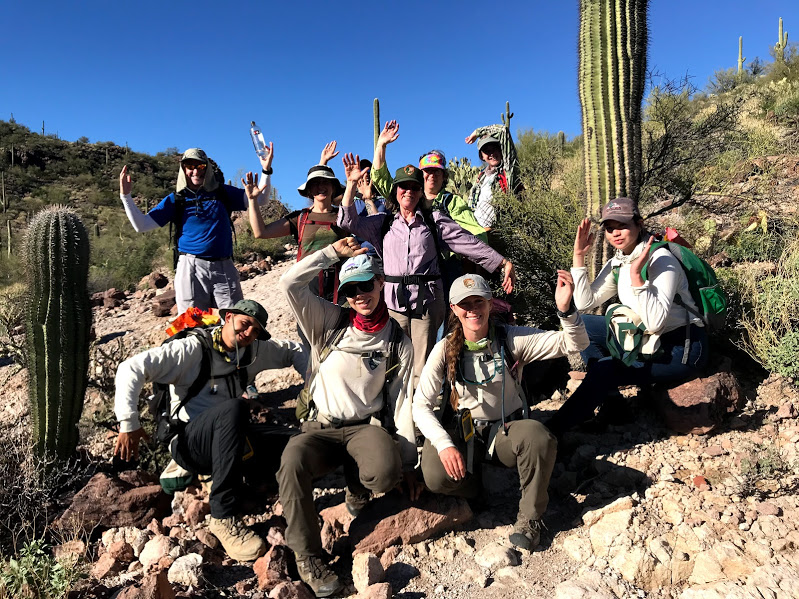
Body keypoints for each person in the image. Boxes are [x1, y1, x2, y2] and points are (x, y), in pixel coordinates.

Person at [277, 237, 420, 597]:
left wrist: (408, 463)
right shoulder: (327, 320)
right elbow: (289, 283)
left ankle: (357, 487)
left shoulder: (397, 341)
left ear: (380, 283)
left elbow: (400, 403)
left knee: (385, 471)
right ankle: (308, 556)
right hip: (319, 426)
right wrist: (330, 254)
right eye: (351, 288)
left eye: (366, 284)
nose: (360, 294)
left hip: (361, 428)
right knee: (292, 461)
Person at [113, 299, 306, 562]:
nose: (248, 333)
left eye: (256, 330)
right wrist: (128, 423)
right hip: (189, 443)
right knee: (235, 408)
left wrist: (314, 386)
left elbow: (295, 349)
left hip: (231, 437)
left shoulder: (254, 351)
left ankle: (281, 492)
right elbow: (131, 368)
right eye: (244, 323)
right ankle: (223, 517)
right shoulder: (192, 350)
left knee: (301, 441)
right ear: (228, 318)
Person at [413, 273, 587, 550]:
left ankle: (530, 519)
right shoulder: (443, 350)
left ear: (490, 304)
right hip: (464, 432)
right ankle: (474, 489)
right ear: (454, 309)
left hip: (505, 431)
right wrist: (445, 445)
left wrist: (566, 311)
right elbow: (421, 405)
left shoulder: (511, 340)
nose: (472, 309)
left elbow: (574, 344)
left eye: (478, 302)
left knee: (538, 436)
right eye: (464, 304)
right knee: (434, 474)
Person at [338, 148, 517, 386]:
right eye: (403, 187)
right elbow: (347, 221)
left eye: (414, 187)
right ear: (396, 192)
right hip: (394, 303)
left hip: (428, 302)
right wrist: (351, 186)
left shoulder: (434, 221)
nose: (408, 192)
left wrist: (501, 262)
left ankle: (422, 414)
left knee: (422, 364)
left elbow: (468, 243)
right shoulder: (383, 223)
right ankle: (395, 413)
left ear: (421, 191)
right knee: (393, 360)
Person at [545, 198, 709, 436]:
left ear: (639, 224)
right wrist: (579, 259)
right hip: (648, 339)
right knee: (586, 326)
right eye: (610, 228)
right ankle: (612, 403)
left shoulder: (661, 259)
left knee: (604, 370)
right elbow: (585, 303)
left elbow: (655, 322)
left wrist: (636, 278)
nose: (615, 233)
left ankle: (551, 432)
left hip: (682, 347)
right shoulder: (618, 261)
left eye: (621, 225)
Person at [119, 149, 260, 313]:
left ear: (207, 168)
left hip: (224, 266)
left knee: (233, 321)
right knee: (192, 324)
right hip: (191, 267)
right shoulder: (176, 199)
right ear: (183, 169)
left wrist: (266, 170)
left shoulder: (222, 192)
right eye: (189, 166)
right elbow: (141, 225)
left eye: (200, 165)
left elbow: (259, 200)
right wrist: (126, 196)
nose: (196, 171)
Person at [246, 142, 346, 302]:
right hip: (306, 285)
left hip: (340, 286)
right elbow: (260, 232)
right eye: (315, 184)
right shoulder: (300, 218)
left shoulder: (343, 215)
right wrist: (252, 201)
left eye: (326, 182)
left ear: (334, 187)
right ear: (309, 190)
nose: (321, 187)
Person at [370, 121, 487, 242]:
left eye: (437, 171)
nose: (432, 175)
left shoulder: (452, 202)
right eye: (427, 171)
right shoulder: (409, 196)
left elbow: (476, 232)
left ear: (444, 176)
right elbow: (380, 178)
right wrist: (381, 145)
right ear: (420, 175)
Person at [465, 122, 522, 232]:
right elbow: (471, 206)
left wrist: (478, 132)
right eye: (486, 151)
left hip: (500, 232)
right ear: (482, 156)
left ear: (500, 149)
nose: (491, 153)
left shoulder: (508, 170)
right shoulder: (481, 178)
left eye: (494, 148)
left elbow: (503, 131)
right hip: (478, 233)